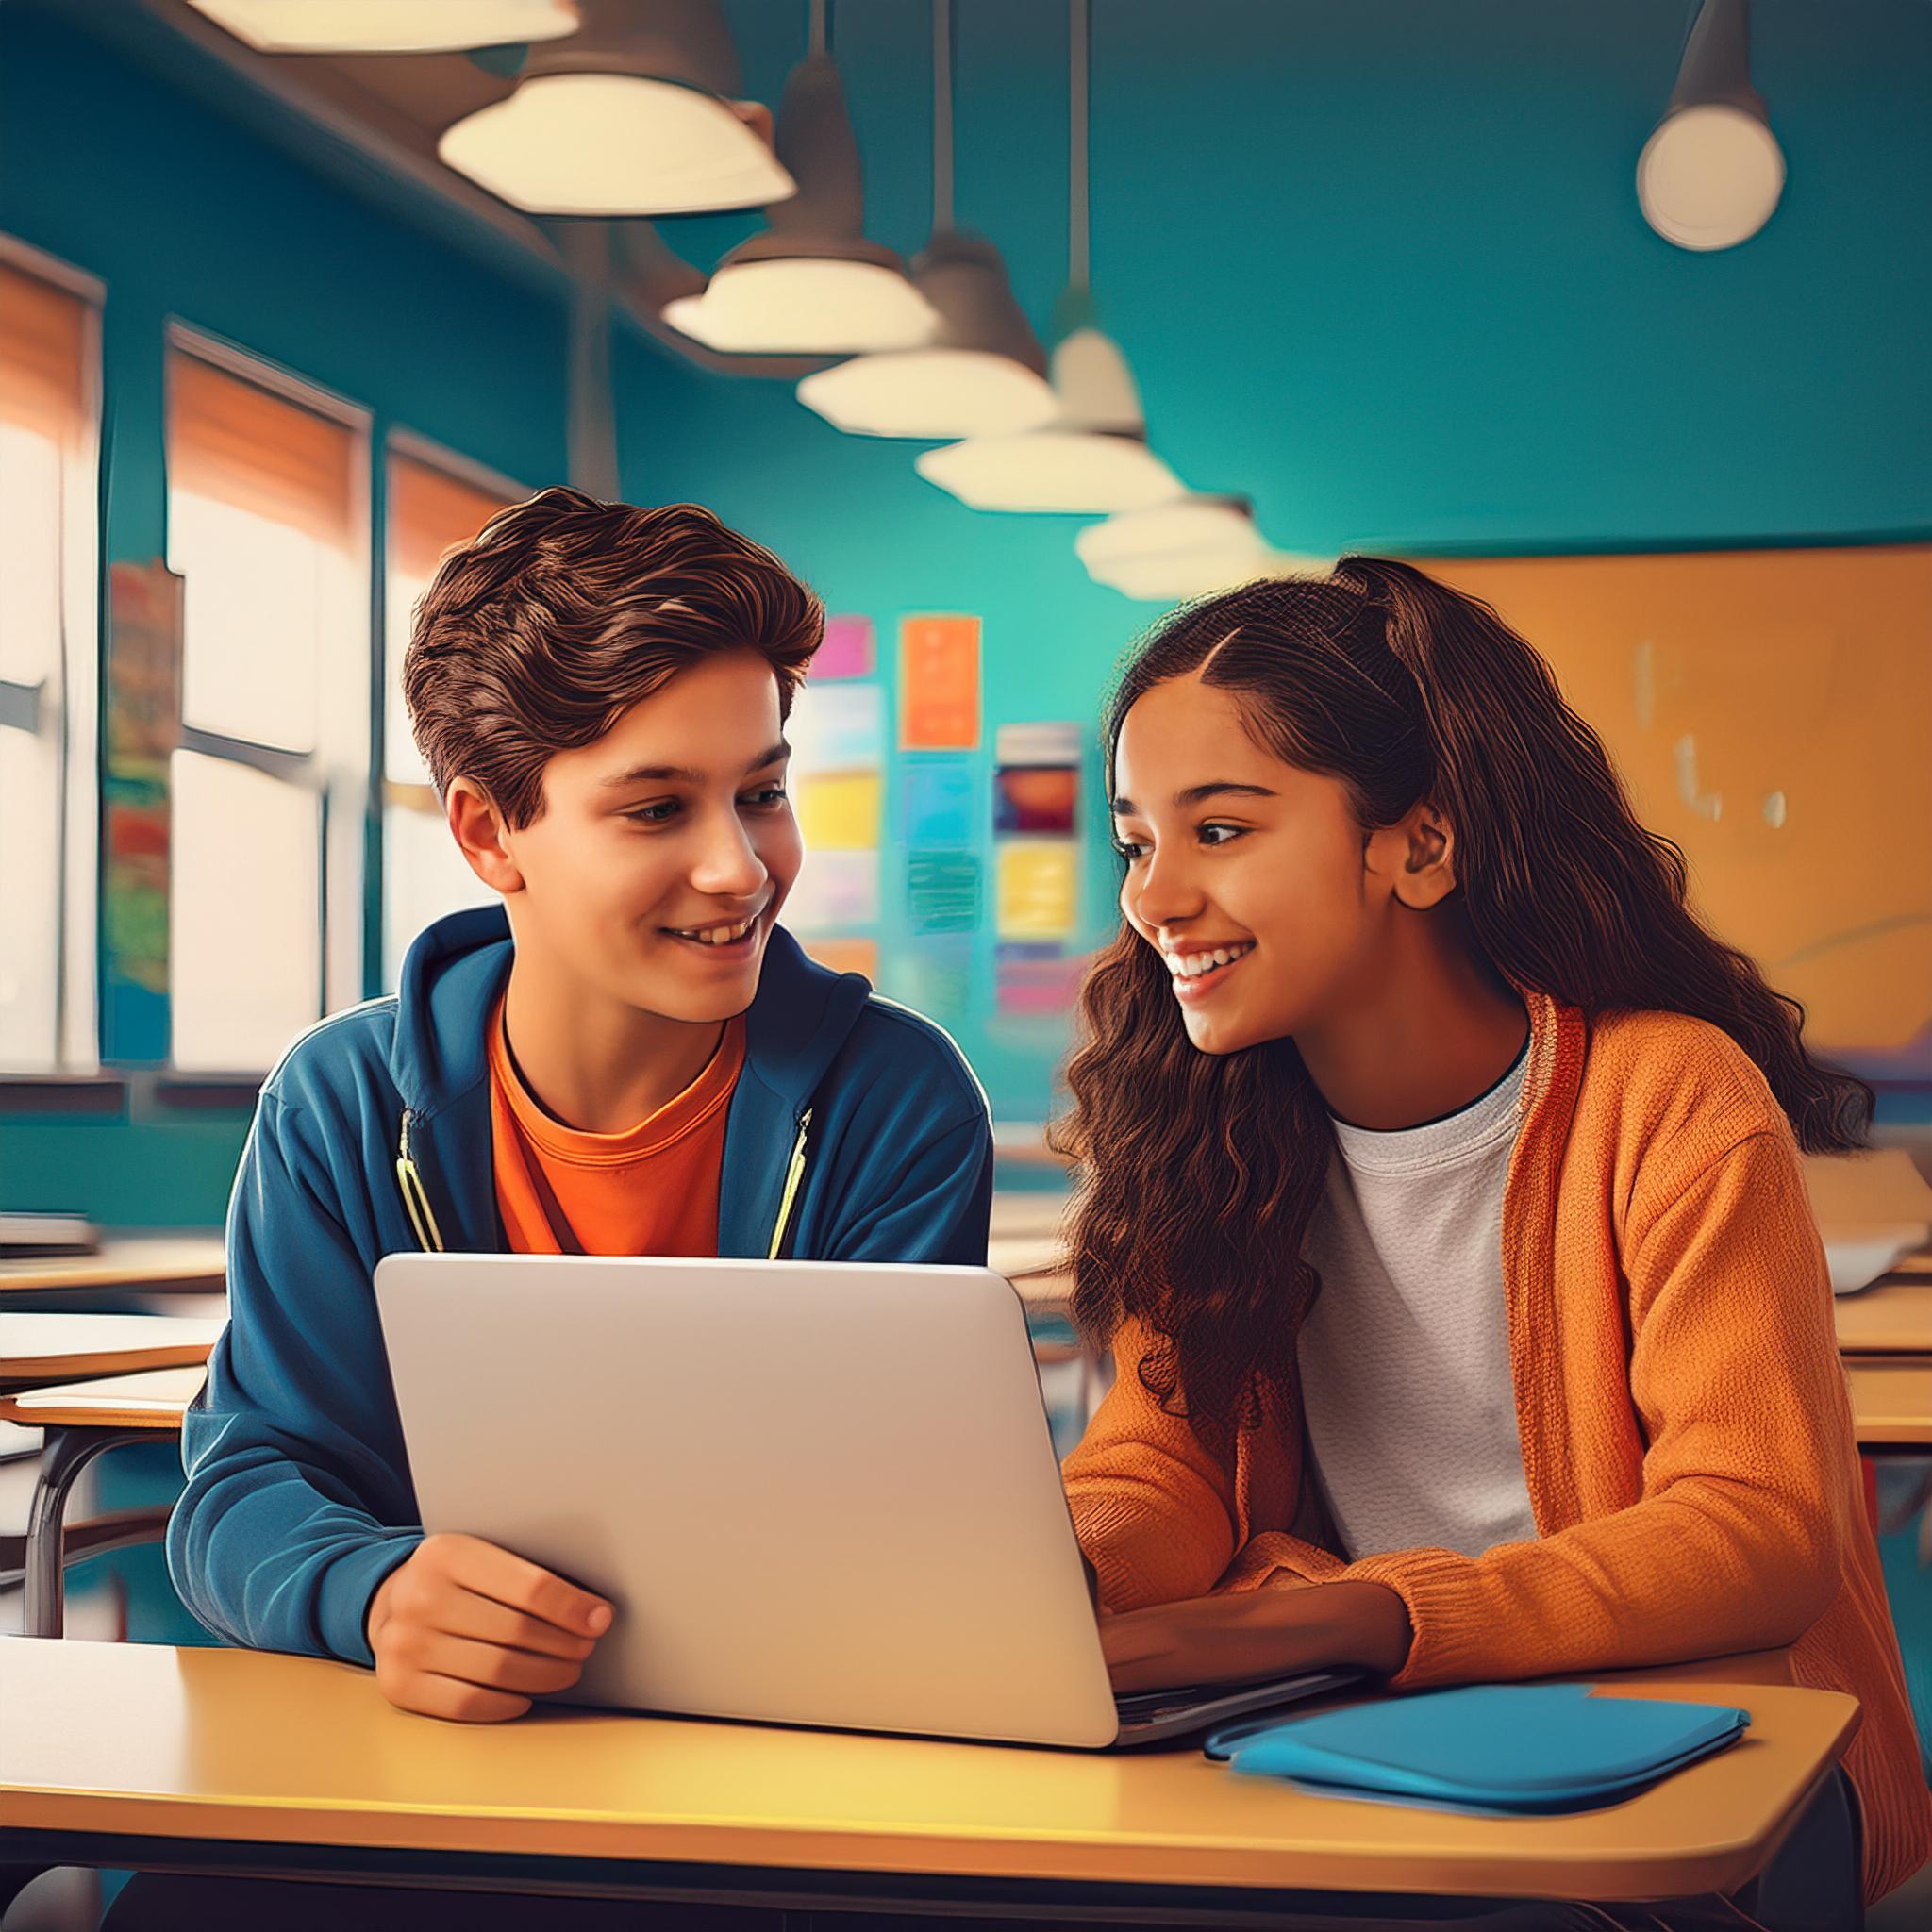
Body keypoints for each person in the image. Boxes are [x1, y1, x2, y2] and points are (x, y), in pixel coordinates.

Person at [1056, 558, 1931, 1910]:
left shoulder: (1669, 1096)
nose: (1153, 897)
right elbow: (1159, 1463)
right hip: (1339, 1731)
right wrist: (1060, 1564)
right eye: (1135, 841)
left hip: (1696, 1745)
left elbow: (1757, 1531)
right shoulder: (1201, 1133)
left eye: (1219, 832)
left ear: (1421, 843)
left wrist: (1371, 1612)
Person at [166, 487, 993, 1723]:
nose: (741, 866)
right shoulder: (339, 1104)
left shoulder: (896, 1103)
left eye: (761, 792)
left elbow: (898, 1527)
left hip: (779, 1754)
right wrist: (375, 1591)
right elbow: (250, 1481)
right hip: (439, 1763)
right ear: (491, 834)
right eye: (658, 808)